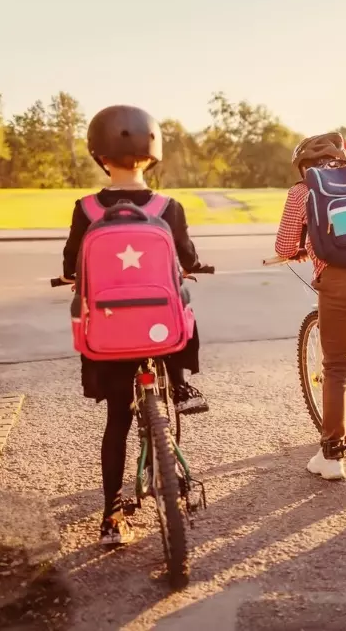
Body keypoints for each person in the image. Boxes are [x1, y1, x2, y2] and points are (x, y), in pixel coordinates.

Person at [62, 105, 210, 545]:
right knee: (183, 300)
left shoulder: (86, 208)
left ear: (99, 155)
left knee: (116, 422)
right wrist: (194, 265)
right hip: (160, 331)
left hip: (108, 335)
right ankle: (180, 384)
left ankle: (110, 518)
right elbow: (185, 260)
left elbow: (72, 266)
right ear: (153, 153)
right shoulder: (168, 206)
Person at [274, 133, 346, 481]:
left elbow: (283, 243)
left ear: (303, 166)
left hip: (339, 281)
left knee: (337, 365)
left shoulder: (301, 190)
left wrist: (298, 248)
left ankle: (332, 455)